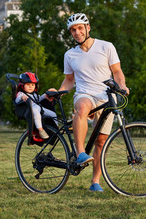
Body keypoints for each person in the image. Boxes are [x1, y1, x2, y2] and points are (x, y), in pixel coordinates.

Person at [50, 13, 129, 192]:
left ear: (88, 27)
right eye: (72, 30)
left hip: (106, 96)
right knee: (83, 106)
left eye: (79, 28)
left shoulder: (106, 46)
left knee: (101, 141)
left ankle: (95, 182)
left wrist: (122, 85)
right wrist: (59, 92)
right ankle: (80, 153)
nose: (76, 33)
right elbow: (69, 80)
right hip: (84, 93)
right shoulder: (70, 54)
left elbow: (116, 71)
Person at [15, 72, 57, 139]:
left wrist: (45, 95)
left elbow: (39, 100)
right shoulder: (21, 93)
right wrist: (22, 97)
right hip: (31, 110)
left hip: (40, 109)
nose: (30, 86)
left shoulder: (35, 94)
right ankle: (40, 130)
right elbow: (17, 100)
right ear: (22, 86)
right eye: (28, 84)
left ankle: (56, 130)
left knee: (53, 114)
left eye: (32, 84)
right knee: (36, 108)